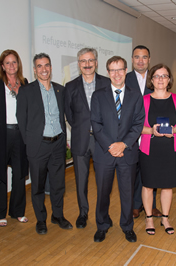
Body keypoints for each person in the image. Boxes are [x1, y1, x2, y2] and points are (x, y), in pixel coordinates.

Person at [16, 53, 72, 235]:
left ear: (51, 67)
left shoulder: (60, 90)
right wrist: (31, 143)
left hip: (57, 144)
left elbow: (64, 116)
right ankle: (41, 220)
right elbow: (21, 119)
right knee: (38, 186)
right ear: (34, 70)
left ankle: (57, 216)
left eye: (46, 65)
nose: (44, 69)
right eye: (39, 66)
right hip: (38, 146)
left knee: (58, 185)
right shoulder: (26, 91)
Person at [90, 56, 145, 243]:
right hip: (104, 153)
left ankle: (127, 226)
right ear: (108, 73)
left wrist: (123, 144)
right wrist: (111, 146)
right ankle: (102, 224)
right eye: (113, 70)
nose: (117, 74)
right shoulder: (98, 95)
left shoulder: (136, 95)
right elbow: (96, 124)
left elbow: (138, 124)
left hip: (127, 153)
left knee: (127, 193)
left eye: (120, 69)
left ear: (126, 70)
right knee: (103, 193)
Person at [65, 48, 111, 229]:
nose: (87, 64)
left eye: (90, 60)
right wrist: (82, 129)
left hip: (102, 141)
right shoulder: (70, 87)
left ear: (96, 62)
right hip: (81, 140)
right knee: (81, 181)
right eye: (83, 61)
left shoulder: (107, 83)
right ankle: (83, 213)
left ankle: (103, 215)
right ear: (78, 64)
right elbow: (69, 114)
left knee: (103, 181)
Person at [140, 64, 176, 235]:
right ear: (151, 80)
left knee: (167, 186)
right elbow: (137, 126)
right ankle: (149, 218)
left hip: (170, 148)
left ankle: (165, 218)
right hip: (149, 149)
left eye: (164, 76)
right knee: (148, 185)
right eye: (157, 76)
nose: (160, 79)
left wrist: (172, 131)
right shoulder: (144, 100)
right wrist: (151, 130)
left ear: (169, 79)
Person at [0, 50, 29, 227]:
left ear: (18, 64)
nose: (11, 66)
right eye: (8, 63)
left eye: (14, 62)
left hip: (21, 134)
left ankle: (17, 212)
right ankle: (0, 213)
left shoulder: (25, 83)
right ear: (2, 66)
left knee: (19, 174)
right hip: (0, 134)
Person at [125, 45, 162, 219]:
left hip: (151, 132)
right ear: (132, 60)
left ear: (149, 60)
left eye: (144, 57)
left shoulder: (156, 79)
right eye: (137, 57)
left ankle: (152, 206)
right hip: (131, 133)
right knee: (133, 171)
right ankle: (134, 205)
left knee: (151, 169)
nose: (141, 60)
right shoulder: (124, 79)